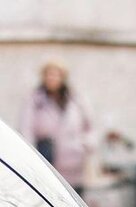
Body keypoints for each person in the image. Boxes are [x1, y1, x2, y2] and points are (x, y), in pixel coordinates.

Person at [19, 62, 94, 194]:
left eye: (56, 74)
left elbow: (89, 126)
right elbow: (26, 127)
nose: (52, 78)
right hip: (47, 159)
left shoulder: (75, 98)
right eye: (48, 74)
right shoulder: (35, 99)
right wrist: (30, 154)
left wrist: (85, 145)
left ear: (63, 77)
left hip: (74, 163)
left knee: (75, 200)